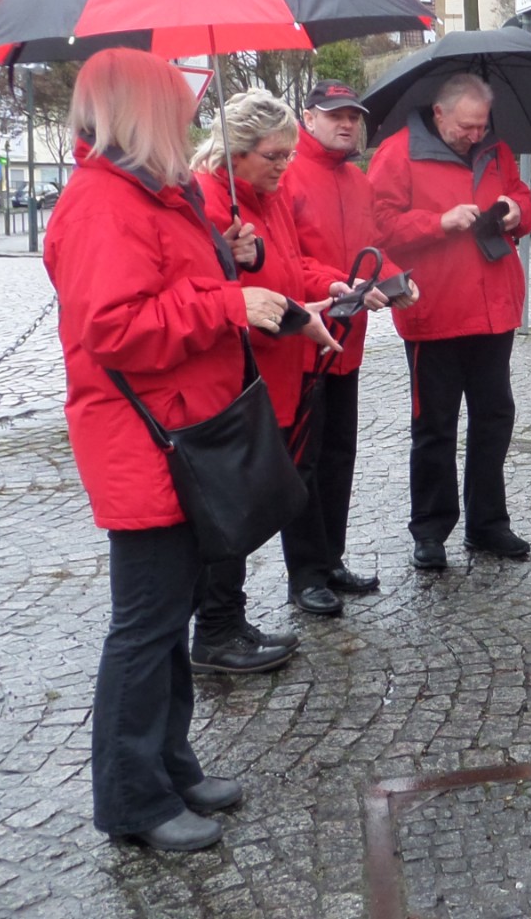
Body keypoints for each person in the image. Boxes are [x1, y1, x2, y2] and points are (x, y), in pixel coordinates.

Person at [45, 49, 294, 851]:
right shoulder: (103, 202)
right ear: (142, 113)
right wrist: (225, 301)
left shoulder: (152, 192)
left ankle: (169, 765)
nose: (188, 118)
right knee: (145, 629)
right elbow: (116, 328)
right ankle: (133, 798)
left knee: (169, 619)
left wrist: (223, 250)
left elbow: (162, 283)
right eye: (175, 107)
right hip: (146, 440)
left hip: (180, 430)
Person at [190, 91, 404, 670]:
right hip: (248, 369)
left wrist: (330, 285)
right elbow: (209, 292)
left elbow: (290, 265)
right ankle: (219, 625)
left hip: (290, 358)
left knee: (307, 470)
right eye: (274, 155)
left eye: (288, 154)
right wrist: (236, 263)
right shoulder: (210, 197)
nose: (286, 164)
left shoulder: (271, 194)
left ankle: (232, 618)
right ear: (236, 152)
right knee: (240, 498)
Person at [369, 74, 531, 570]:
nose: (475, 135)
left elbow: (524, 200)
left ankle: (488, 523)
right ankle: (430, 530)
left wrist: (515, 210)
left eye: (482, 126)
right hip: (433, 312)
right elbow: (377, 227)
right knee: (434, 427)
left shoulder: (496, 150)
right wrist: (438, 223)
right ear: (439, 115)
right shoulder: (397, 154)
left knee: (493, 420)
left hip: (493, 310)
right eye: (466, 127)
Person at [280, 82, 394, 611]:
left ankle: (330, 559)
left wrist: (396, 280)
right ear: (308, 118)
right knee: (303, 461)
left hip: (347, 343)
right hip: (304, 342)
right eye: (335, 115)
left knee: (339, 456)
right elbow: (287, 261)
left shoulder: (357, 180)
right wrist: (335, 284)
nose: (347, 124)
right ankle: (305, 574)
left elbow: (373, 249)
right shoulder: (287, 175)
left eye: (353, 116)